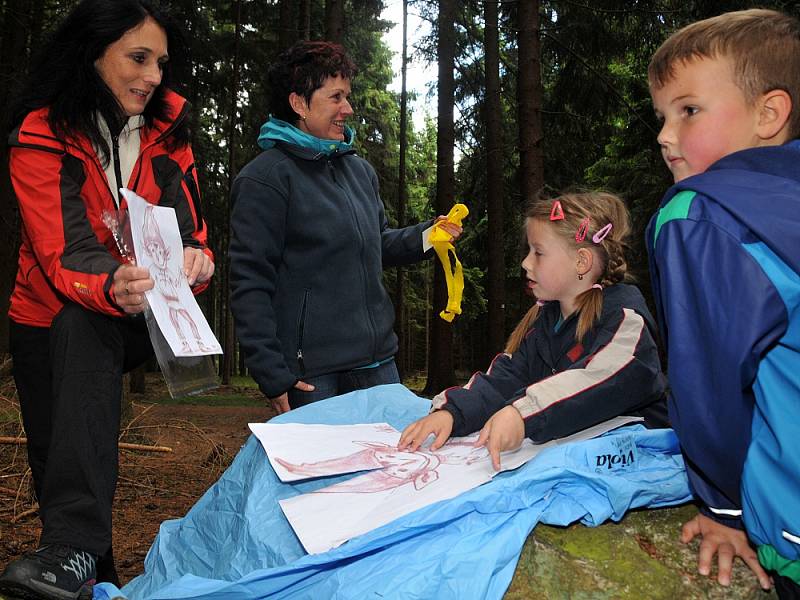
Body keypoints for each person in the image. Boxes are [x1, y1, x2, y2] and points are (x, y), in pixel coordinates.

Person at [0, 1, 213, 598]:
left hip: (138, 311)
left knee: (85, 326)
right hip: (47, 311)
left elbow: (190, 227)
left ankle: (71, 550)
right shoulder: (41, 132)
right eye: (137, 58)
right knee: (58, 453)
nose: (152, 76)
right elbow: (60, 249)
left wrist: (197, 260)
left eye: (161, 63)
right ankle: (89, 569)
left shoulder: (169, 125)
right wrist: (111, 281)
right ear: (91, 55)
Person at [646, 9, 800, 597]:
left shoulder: (701, 214)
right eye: (661, 116)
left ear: (769, 113)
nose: (664, 135)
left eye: (688, 111)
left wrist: (723, 508)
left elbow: (706, 381)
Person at [230, 40, 460, 415]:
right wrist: (271, 372)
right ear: (299, 104)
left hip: (378, 362)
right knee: (327, 475)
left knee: (391, 470)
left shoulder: (360, 171)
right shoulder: (265, 179)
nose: (348, 109)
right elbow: (249, 282)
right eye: (336, 97)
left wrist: (426, 235)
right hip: (311, 375)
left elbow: (376, 244)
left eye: (347, 96)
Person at [399, 192, 668, 470]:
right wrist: (453, 412)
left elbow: (599, 379)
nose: (526, 263)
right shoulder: (546, 319)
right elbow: (507, 376)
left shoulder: (625, 319)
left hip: (632, 454)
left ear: (581, 262)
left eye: (538, 252)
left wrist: (522, 413)